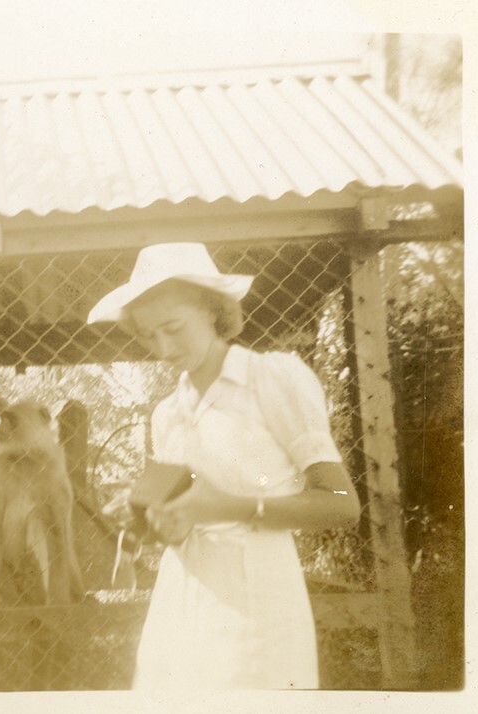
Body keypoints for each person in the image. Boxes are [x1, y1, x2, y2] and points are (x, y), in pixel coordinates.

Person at [87, 242, 361, 690]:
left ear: (213, 310)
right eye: (147, 335)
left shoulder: (270, 378)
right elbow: (184, 520)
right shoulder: (167, 414)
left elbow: (342, 505)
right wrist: (155, 523)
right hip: (178, 604)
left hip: (255, 603)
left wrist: (229, 507)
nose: (162, 347)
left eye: (174, 327)